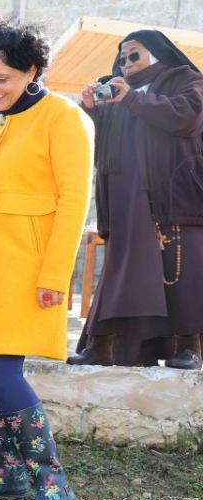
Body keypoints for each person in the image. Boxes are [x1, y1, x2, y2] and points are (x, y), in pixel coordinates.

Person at [0, 21, 93, 500]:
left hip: (30, 270)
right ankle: (9, 473)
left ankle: (55, 486)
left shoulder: (64, 119)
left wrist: (57, 273)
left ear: (32, 70)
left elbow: (74, 202)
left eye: (3, 78)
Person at [69, 30, 203, 370]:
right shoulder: (115, 90)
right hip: (125, 197)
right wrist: (90, 110)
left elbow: (186, 117)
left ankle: (188, 347)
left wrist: (131, 98)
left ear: (157, 54)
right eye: (122, 57)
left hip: (171, 195)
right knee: (122, 274)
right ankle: (103, 347)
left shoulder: (185, 79)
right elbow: (105, 140)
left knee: (179, 273)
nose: (126, 63)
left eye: (134, 55)